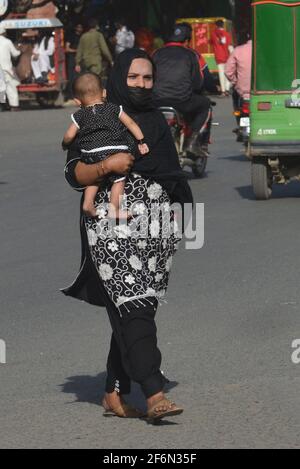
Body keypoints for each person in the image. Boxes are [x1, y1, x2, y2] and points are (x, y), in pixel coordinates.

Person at [62, 49, 193, 422]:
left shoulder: (154, 120)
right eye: (133, 77)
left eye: (147, 78)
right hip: (110, 224)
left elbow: (171, 175)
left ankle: (112, 392)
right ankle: (154, 393)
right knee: (133, 303)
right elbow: (73, 173)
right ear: (119, 77)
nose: (141, 84)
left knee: (138, 306)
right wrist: (107, 165)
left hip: (155, 228)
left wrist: (178, 223)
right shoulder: (97, 117)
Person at [62, 72, 149, 219]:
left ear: (77, 101)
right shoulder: (114, 109)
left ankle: (88, 203)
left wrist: (65, 143)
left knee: (94, 178)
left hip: (90, 152)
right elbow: (131, 124)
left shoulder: (79, 115)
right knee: (119, 180)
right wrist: (141, 141)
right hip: (115, 151)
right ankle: (114, 209)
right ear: (104, 93)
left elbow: (69, 135)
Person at [152, 23, 211, 156]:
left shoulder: (156, 53)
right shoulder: (191, 54)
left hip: (157, 101)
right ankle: (192, 143)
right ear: (186, 41)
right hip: (182, 101)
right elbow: (197, 83)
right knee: (205, 105)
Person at [225, 33, 252, 112]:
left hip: (242, 92)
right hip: (263, 93)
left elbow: (228, 71)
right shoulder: (265, 50)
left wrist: (235, 81)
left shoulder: (238, 50)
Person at [0, 25, 21, 111]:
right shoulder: (7, 41)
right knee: (10, 87)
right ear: (4, 33)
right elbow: (15, 54)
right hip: (6, 69)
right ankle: (14, 106)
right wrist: (20, 50)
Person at [211, 20, 234, 97]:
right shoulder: (227, 34)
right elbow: (230, 45)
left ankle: (223, 91)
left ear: (216, 25)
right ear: (223, 25)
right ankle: (227, 89)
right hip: (227, 56)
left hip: (218, 56)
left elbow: (211, 42)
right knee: (227, 72)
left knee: (221, 73)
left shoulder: (213, 34)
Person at [64, 23, 83, 102]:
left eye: (81, 27)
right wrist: (76, 51)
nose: (80, 28)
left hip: (81, 59)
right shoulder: (71, 36)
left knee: (80, 77)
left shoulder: (82, 37)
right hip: (72, 58)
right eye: (78, 27)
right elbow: (67, 48)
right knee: (72, 77)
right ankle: (71, 95)